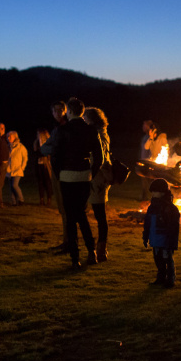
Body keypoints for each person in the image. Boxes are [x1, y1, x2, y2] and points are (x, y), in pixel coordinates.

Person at [50, 97, 103, 270]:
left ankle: (75, 258)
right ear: (82, 111)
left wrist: (59, 174)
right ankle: (91, 251)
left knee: (72, 218)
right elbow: (99, 157)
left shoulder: (62, 130)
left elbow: (55, 156)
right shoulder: (90, 130)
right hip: (84, 176)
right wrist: (91, 173)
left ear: (69, 111)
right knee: (81, 214)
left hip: (67, 177)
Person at [84, 107, 113, 262]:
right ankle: (100, 249)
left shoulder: (99, 134)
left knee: (100, 215)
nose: (83, 121)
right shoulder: (102, 132)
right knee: (99, 214)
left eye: (85, 118)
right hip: (99, 178)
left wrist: (91, 174)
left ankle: (101, 250)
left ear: (91, 119)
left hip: (98, 178)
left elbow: (100, 158)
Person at [40, 101, 69, 252]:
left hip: (65, 172)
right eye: (55, 111)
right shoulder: (57, 129)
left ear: (65, 111)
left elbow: (51, 147)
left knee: (67, 208)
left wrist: (54, 148)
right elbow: (44, 148)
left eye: (60, 110)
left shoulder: (67, 128)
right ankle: (67, 240)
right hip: (57, 171)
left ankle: (69, 242)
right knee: (62, 209)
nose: (58, 113)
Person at [142, 178, 181, 288]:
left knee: (167, 259)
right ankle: (161, 277)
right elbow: (148, 222)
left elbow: (173, 227)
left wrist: (171, 241)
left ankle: (170, 279)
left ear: (162, 192)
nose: (153, 194)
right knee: (158, 259)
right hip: (155, 239)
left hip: (165, 239)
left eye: (155, 191)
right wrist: (146, 236)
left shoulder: (170, 209)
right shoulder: (152, 207)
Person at [139, 120, 167, 200]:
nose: (150, 132)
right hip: (153, 162)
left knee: (158, 181)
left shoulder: (162, 137)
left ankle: (160, 197)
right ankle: (148, 197)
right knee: (148, 180)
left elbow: (165, 148)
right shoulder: (150, 139)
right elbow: (146, 147)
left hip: (160, 163)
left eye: (153, 131)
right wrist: (151, 137)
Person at [6, 130, 28, 206]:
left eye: (10, 136)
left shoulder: (21, 147)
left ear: (15, 137)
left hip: (18, 169)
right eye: (7, 136)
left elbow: (25, 158)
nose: (8, 138)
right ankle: (14, 202)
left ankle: (21, 199)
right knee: (11, 187)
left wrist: (22, 167)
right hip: (9, 169)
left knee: (14, 185)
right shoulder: (8, 147)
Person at [33, 129, 53, 205]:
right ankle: (41, 199)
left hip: (47, 164)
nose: (37, 136)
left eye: (39, 134)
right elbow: (36, 153)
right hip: (39, 164)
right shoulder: (36, 142)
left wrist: (42, 152)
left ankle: (49, 199)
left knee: (47, 182)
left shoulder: (48, 142)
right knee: (40, 182)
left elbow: (46, 153)